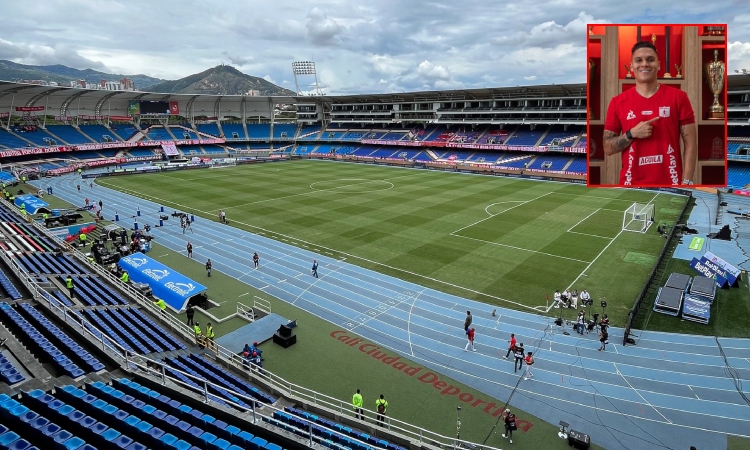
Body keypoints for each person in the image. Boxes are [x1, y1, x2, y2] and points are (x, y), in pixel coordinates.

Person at [603, 41, 697, 186]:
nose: (644, 64)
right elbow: (607, 148)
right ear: (632, 66)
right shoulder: (617, 102)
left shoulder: (679, 97)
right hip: (631, 185)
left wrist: (687, 181)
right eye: (639, 60)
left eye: (650, 59)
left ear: (658, 65)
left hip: (671, 184)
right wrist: (631, 133)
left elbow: (690, 144)